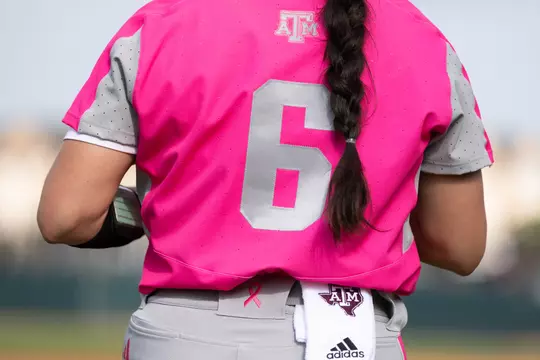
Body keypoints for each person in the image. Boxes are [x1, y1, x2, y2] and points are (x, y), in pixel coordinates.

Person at [37, 0, 494, 359]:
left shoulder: (165, 22)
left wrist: (158, 209)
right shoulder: (424, 40)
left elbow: (67, 216)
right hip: (356, 333)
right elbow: (458, 246)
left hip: (192, 333)